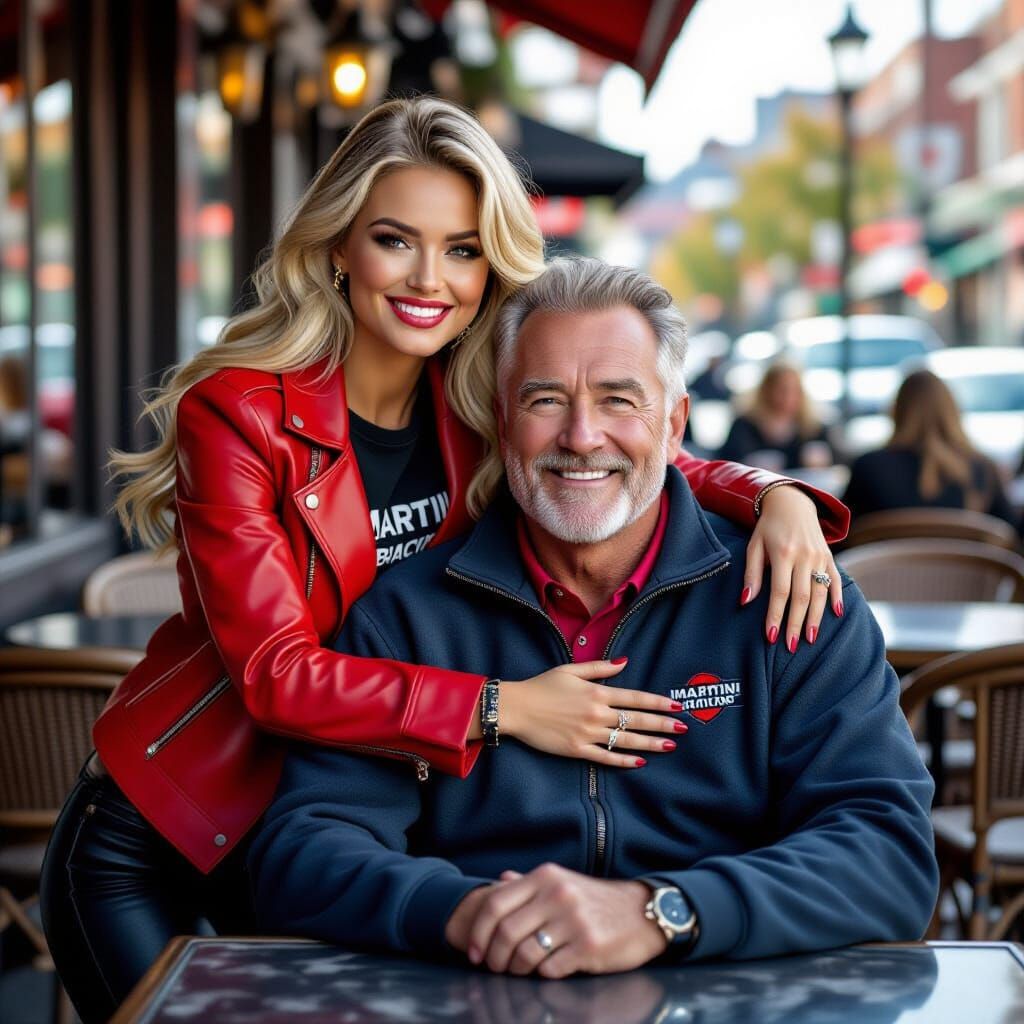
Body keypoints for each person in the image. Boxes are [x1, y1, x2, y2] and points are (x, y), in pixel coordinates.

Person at [40, 99, 849, 1024]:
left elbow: (613, 448)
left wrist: (772, 497)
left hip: (321, 826)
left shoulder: (472, 405)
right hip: (166, 833)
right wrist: (503, 708)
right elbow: (274, 677)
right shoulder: (239, 412)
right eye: (398, 240)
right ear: (340, 245)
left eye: (464, 249)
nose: (432, 278)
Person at [249, 258, 937, 974]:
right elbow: (303, 853)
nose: (581, 436)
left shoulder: (787, 595)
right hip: (480, 990)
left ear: (673, 426)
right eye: (546, 400)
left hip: (727, 992)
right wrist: (461, 912)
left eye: (618, 401)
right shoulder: (406, 617)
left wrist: (665, 911)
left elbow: (887, 853)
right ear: (501, 419)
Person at [843, 369, 1016, 524]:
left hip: (884, 560)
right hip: (959, 560)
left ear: (897, 411)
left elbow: (838, 535)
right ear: (952, 411)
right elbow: (1012, 532)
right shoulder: (982, 467)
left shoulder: (868, 467)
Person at [719, 362, 833, 470]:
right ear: (766, 391)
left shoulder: (813, 428)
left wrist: (823, 462)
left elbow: (838, 464)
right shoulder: (744, 426)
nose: (788, 397)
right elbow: (725, 465)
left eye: (795, 390)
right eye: (782, 390)